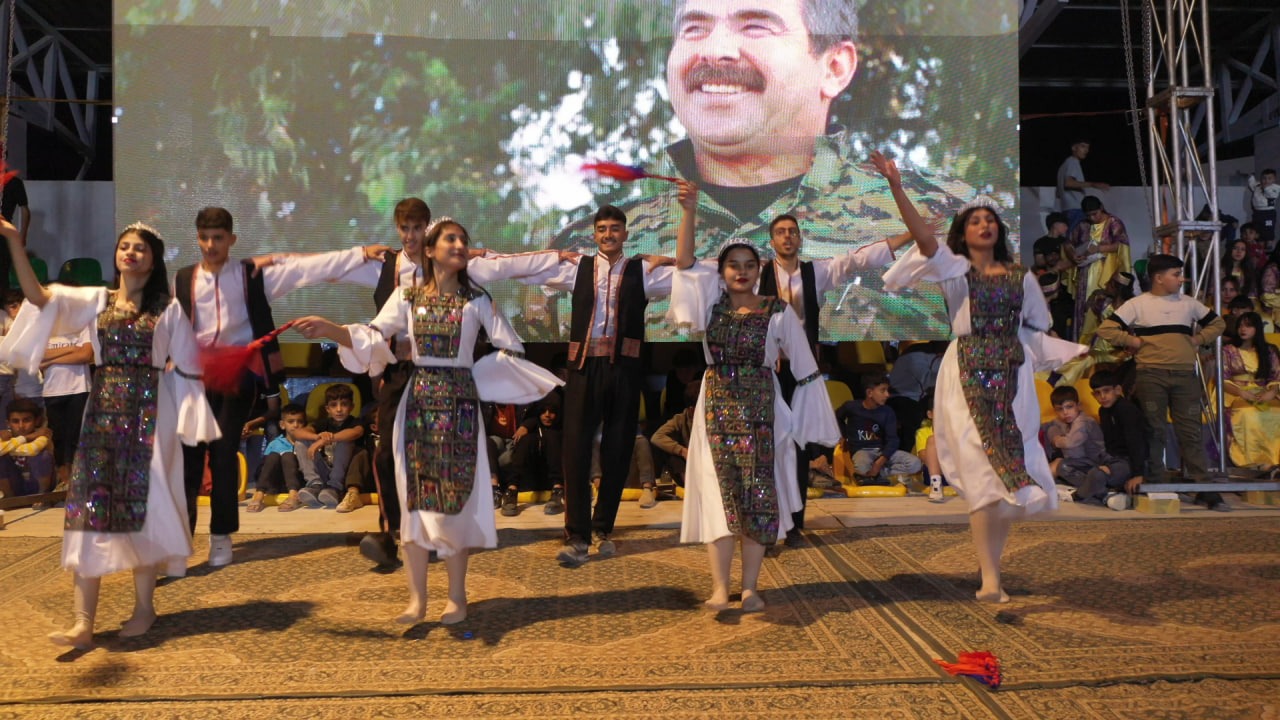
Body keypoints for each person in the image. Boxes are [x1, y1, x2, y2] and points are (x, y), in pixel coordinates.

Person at [549, 0, 974, 339]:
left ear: (834, 67)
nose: (714, 50)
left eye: (755, 26)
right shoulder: (588, 246)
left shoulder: (952, 219)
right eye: (694, 28)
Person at [293, 218, 561, 625]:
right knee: (415, 502)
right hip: (417, 405)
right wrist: (333, 330)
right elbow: (373, 337)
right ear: (431, 250)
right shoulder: (407, 296)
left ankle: (456, 597)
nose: (459, 244)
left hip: (460, 410)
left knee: (453, 503)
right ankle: (417, 600)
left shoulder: (478, 300)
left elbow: (511, 348)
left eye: (463, 238)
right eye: (450, 238)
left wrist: (478, 379)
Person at [876, 150, 1085, 603]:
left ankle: (991, 567)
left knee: (1006, 469)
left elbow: (1037, 325)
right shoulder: (954, 270)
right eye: (975, 221)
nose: (984, 225)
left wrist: (1056, 350)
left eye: (990, 220)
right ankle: (990, 577)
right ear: (963, 232)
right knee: (979, 468)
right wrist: (896, 186)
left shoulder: (1021, 276)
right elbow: (924, 238)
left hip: (1011, 373)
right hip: (965, 370)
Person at [0, 220, 219, 649]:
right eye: (124, 246)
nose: (130, 252)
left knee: (143, 510)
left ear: (153, 259)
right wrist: (12, 240)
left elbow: (191, 365)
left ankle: (144, 608)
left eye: (140, 248)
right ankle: (83, 621)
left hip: (150, 416)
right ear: (116, 255)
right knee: (88, 509)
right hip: (101, 416)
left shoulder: (169, 309)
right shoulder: (96, 301)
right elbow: (39, 297)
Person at [341, 198, 563, 568]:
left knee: (441, 461)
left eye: (418, 229)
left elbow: (508, 269)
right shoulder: (390, 272)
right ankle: (393, 533)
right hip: (402, 375)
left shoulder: (466, 279)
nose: (411, 236)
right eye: (405, 229)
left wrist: (558, 256)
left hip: (450, 381)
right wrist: (368, 359)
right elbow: (373, 328)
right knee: (389, 454)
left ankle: (437, 534)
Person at [176, 206, 387, 568]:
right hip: (192, 379)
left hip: (235, 378)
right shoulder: (183, 278)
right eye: (204, 238)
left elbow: (305, 267)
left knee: (224, 455)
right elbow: (175, 325)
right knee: (188, 461)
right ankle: (179, 541)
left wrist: (358, 254)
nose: (211, 245)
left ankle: (221, 535)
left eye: (218, 238)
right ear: (197, 238)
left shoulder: (251, 275)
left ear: (231, 239)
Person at [670, 180, 839, 612]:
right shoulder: (710, 306)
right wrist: (688, 211)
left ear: (759, 269)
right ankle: (718, 587)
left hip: (763, 412)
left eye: (749, 265)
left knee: (758, 496)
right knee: (718, 494)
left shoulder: (777, 311)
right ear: (721, 272)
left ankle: (749, 587)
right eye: (733, 265)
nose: (741, 271)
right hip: (715, 409)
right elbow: (685, 263)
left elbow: (805, 367)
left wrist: (807, 423)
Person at [763, 212, 910, 540]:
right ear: (772, 241)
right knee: (770, 445)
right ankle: (769, 523)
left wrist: (908, 235)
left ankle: (795, 523)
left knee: (799, 445)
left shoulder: (815, 272)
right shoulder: (758, 273)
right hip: (768, 370)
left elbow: (858, 260)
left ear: (800, 239)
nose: (787, 236)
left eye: (792, 231)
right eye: (781, 232)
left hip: (803, 372)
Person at [1096, 254, 1230, 510]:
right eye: (1176, 274)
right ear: (1158, 278)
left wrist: (1197, 339)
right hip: (1151, 375)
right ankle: (1155, 483)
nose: (1182, 279)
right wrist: (1132, 341)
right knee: (1153, 429)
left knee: (1190, 432)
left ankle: (1204, 487)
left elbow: (1218, 323)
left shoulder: (1189, 303)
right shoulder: (1138, 304)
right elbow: (1106, 329)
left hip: (1184, 375)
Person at [836, 372, 922, 484]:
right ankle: (872, 475)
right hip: (862, 451)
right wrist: (843, 435)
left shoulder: (887, 412)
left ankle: (878, 474)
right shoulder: (852, 407)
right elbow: (837, 417)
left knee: (915, 464)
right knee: (862, 466)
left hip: (883, 451)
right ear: (869, 393)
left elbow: (893, 440)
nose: (887, 395)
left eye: (887, 391)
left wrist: (879, 463)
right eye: (883, 391)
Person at [1221, 312, 1280, 469]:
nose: (1243, 329)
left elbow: (1276, 377)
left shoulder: (1269, 350)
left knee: (1276, 412)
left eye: (1248, 326)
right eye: (1240, 326)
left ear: (1257, 328)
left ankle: (1274, 461)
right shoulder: (1228, 350)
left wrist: (1272, 392)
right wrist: (1241, 392)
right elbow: (1222, 379)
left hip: (1263, 392)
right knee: (1248, 413)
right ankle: (1251, 460)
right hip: (1235, 392)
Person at [1067, 197, 1131, 340]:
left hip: (1106, 270)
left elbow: (1122, 245)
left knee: (1102, 304)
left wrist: (1099, 248)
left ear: (1101, 207)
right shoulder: (1083, 225)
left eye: (1095, 214)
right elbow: (1068, 243)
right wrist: (1073, 255)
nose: (1092, 218)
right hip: (1085, 272)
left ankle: (1102, 342)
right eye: (1088, 215)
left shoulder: (1114, 222)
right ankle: (1082, 344)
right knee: (1085, 307)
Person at [292, 384, 363, 509]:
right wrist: (317, 437)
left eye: (344, 404)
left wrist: (326, 440)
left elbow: (356, 432)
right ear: (327, 409)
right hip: (325, 471)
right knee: (301, 442)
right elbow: (297, 433)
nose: (339, 409)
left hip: (344, 475)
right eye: (334, 405)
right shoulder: (324, 423)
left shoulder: (355, 422)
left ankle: (335, 488)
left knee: (345, 440)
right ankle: (315, 485)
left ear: (352, 407)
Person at [40, 326, 92, 491]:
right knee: (59, 440)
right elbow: (38, 356)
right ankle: (64, 481)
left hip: (79, 389)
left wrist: (51, 360)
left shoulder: (83, 324)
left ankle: (78, 482)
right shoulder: (46, 325)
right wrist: (71, 349)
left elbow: (85, 355)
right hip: (52, 390)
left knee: (77, 438)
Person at [1089, 370, 1149, 506]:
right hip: (1112, 460)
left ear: (1117, 390)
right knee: (1066, 466)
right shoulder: (1103, 411)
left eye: (1106, 391)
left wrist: (1138, 474)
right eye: (1097, 393)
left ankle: (1105, 493)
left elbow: (1136, 443)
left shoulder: (1126, 409)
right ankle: (1109, 491)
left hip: (1129, 462)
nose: (1102, 396)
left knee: (1097, 475)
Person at [1042, 386, 1108, 502]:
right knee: (1052, 431)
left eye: (1069, 407)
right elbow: (1047, 426)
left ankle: (1102, 491)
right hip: (1078, 463)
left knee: (1061, 466)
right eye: (1060, 409)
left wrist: (1056, 440)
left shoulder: (1084, 422)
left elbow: (1070, 443)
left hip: (1095, 463)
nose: (1065, 412)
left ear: (1078, 405)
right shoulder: (1062, 421)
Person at [503, 394, 564, 517]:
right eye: (543, 411)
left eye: (551, 412)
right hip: (530, 478)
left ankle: (558, 491)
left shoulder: (562, 429)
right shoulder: (531, 428)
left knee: (552, 437)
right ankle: (511, 491)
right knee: (526, 440)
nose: (547, 415)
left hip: (552, 480)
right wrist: (527, 425)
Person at [244, 403, 307, 513]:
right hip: (276, 484)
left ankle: (293, 496)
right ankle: (259, 495)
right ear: (282, 425)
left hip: (298, 483)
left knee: (288, 455)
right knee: (273, 455)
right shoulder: (275, 443)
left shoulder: (306, 443)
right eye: (291, 421)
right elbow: (265, 469)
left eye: (300, 421)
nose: (296, 425)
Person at [0, 397, 53, 498]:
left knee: (44, 456)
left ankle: (42, 499)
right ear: (8, 423)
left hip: (36, 484)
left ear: (36, 421)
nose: (21, 426)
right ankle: (10, 502)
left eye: (26, 420)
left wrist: (7, 448)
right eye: (15, 421)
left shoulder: (42, 435)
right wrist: (26, 438)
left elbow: (31, 450)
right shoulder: (4, 436)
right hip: (15, 485)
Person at [650, 380, 700, 488]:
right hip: (689, 465)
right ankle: (688, 484)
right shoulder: (681, 419)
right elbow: (657, 437)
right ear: (692, 410)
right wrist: (682, 451)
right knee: (670, 452)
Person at [1055, 139, 1110, 229]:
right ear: (1074, 148)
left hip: (1066, 209)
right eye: (1083, 146)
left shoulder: (1063, 166)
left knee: (1072, 236)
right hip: (1076, 209)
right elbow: (1068, 183)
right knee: (1080, 236)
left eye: (1088, 148)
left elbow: (1058, 193)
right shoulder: (1073, 162)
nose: (1086, 150)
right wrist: (1093, 184)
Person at [913, 389, 946, 502]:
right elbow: (924, 458)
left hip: (955, 472)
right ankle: (936, 487)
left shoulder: (956, 433)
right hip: (934, 473)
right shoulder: (923, 432)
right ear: (930, 414)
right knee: (933, 440)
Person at [1247, 169, 1278, 245]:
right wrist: (1251, 177)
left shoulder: (1276, 188)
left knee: (1268, 229)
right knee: (1257, 229)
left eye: (1269, 178)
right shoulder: (1258, 186)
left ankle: (1269, 244)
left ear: (1274, 179)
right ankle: (1259, 246)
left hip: (1268, 213)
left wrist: (1265, 188)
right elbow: (1251, 184)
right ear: (1261, 178)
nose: (1266, 181)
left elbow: (1271, 195)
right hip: (1257, 212)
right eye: (1264, 178)